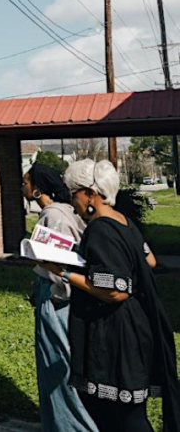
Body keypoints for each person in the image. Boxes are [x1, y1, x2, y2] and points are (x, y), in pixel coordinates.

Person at [39, 159, 179, 432]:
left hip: (115, 333)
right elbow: (149, 260)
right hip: (138, 325)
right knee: (129, 414)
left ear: (90, 193)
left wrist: (62, 272)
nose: (73, 203)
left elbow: (115, 291)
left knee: (121, 417)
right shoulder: (123, 221)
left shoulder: (100, 229)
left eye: (74, 194)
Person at [22, 163, 96, 432]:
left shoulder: (54, 216)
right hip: (55, 293)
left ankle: (69, 425)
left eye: (25, 182)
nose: (22, 187)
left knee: (56, 361)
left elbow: (61, 263)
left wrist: (54, 294)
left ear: (38, 188)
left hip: (57, 298)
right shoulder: (63, 211)